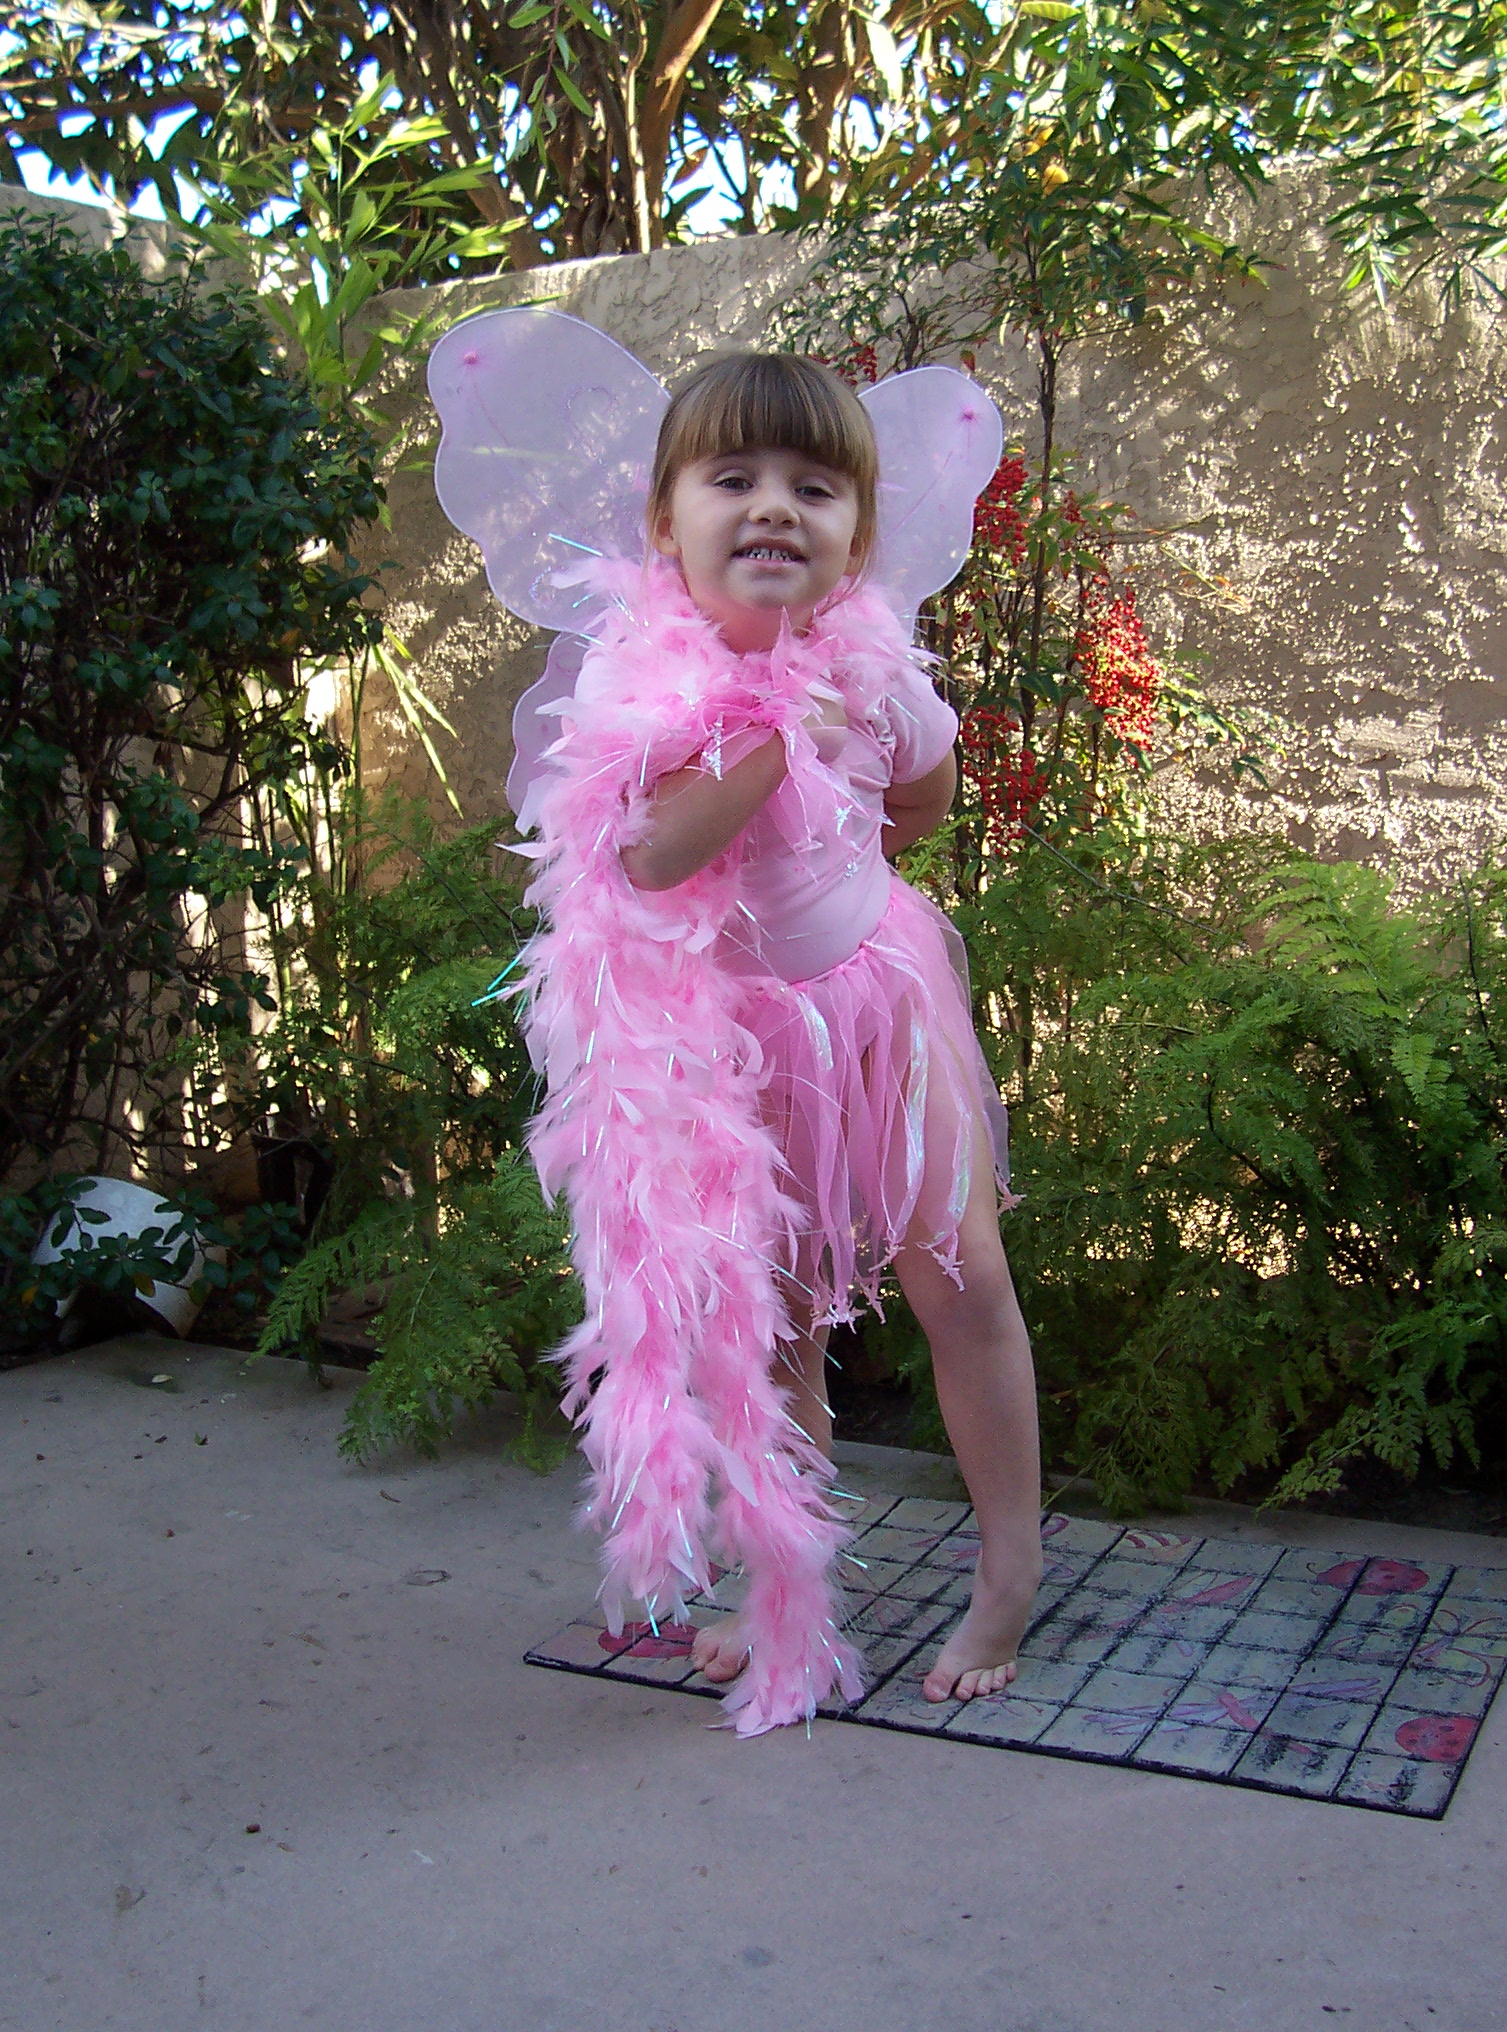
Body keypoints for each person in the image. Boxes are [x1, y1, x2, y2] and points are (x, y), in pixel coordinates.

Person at [436, 328, 1041, 1735]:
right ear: (666, 524)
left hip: (877, 1003)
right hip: (719, 1045)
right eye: (734, 477)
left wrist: (858, 754)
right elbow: (645, 856)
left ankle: (1009, 1567)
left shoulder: (876, 665)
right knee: (768, 1332)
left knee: (963, 1279)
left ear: (858, 537)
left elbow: (925, 798)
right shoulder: (627, 686)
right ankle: (788, 1581)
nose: (775, 505)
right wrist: (778, 726)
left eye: (816, 488)